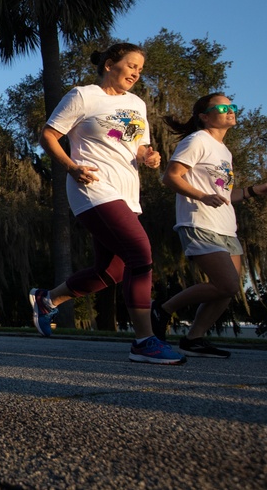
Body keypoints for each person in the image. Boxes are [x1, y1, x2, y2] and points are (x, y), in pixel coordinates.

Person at [30, 41, 184, 365]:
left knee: (111, 271)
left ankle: (47, 300)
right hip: (92, 186)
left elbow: (138, 145)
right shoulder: (84, 96)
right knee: (140, 253)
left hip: (128, 193)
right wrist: (72, 168)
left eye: (140, 69)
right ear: (110, 64)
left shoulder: (137, 104)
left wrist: (149, 155)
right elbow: (48, 135)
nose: (136, 73)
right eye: (131, 66)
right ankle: (144, 341)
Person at [152, 93, 267, 358]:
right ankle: (162, 309)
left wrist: (256, 190)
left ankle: (194, 339)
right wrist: (201, 196)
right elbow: (170, 177)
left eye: (232, 106)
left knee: (227, 289)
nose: (230, 110)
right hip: (199, 222)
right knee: (228, 285)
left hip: (226, 227)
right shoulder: (197, 140)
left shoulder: (224, 151)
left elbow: (225, 195)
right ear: (204, 116)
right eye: (223, 107)